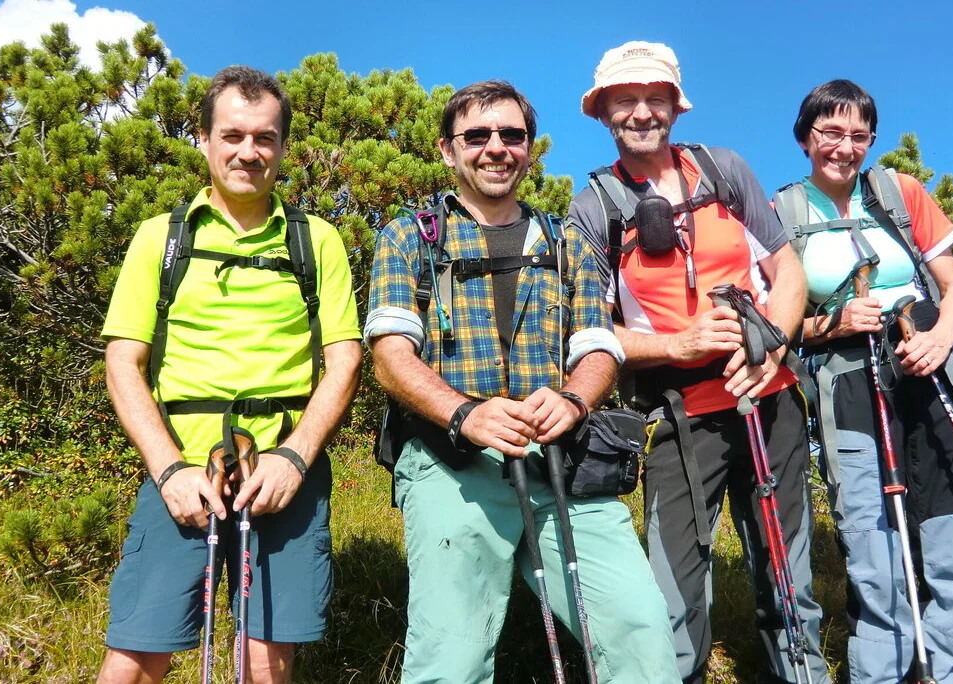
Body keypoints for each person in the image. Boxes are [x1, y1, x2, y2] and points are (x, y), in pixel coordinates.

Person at [366, 79, 680, 683]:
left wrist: (574, 398)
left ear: (531, 149)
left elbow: (598, 346)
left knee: (641, 635)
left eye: (512, 135)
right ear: (446, 149)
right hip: (450, 459)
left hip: (561, 457)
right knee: (450, 660)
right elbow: (390, 356)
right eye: (477, 135)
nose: (495, 148)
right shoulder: (409, 236)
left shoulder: (569, 245)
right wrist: (464, 414)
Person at [568, 42, 828, 684]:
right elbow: (592, 332)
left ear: (674, 108)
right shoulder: (595, 206)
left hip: (770, 397)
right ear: (603, 113)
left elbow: (785, 270)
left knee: (787, 569)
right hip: (674, 414)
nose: (641, 113)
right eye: (624, 101)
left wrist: (772, 343)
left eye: (654, 99)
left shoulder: (724, 169)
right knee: (673, 589)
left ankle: (801, 673)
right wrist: (679, 346)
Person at [96, 65, 362, 684]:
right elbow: (123, 362)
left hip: (282, 475)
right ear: (204, 139)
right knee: (135, 655)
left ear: (283, 146)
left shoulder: (316, 241)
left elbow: (344, 360)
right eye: (233, 135)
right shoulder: (159, 239)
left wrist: (293, 460)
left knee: (265, 662)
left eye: (265, 138)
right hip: (180, 472)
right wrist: (168, 472)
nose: (249, 151)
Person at [774, 78, 953, 683]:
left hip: (930, 367)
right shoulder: (781, 214)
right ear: (804, 137)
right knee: (874, 548)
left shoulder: (899, 192)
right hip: (846, 382)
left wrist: (941, 338)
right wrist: (831, 322)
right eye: (830, 132)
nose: (844, 146)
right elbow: (779, 325)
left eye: (858, 134)